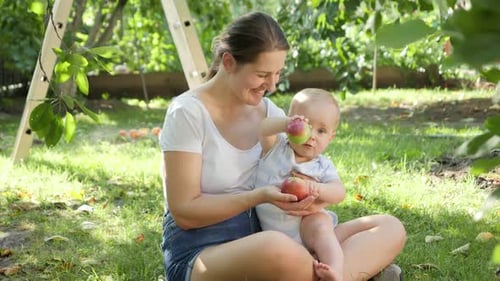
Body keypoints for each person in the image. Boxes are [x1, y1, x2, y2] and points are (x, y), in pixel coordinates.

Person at [159, 11, 406, 281]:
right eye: (263, 74)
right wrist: (258, 196)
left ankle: (334, 274)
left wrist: (312, 199)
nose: (273, 85)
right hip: (204, 249)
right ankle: (352, 272)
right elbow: (184, 213)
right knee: (279, 250)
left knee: (388, 227)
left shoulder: (268, 111)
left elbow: (303, 161)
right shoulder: (187, 113)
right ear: (228, 62)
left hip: (273, 235)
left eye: (277, 73)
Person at [254, 88, 345, 281]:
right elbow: (262, 128)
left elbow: (339, 192)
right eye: (307, 125)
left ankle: (335, 271)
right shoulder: (276, 150)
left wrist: (317, 188)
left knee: (321, 224)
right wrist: (287, 124)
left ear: (331, 137)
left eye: (321, 131)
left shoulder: (322, 165)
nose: (312, 135)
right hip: (276, 239)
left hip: (308, 230)